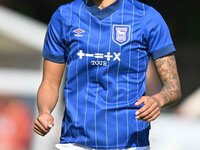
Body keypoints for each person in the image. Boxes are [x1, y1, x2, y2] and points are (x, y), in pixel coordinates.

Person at [34, 0, 181, 149]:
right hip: (75, 143)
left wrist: (158, 100)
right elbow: (50, 83)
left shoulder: (147, 17)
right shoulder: (65, 16)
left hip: (131, 145)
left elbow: (173, 87)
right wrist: (45, 111)